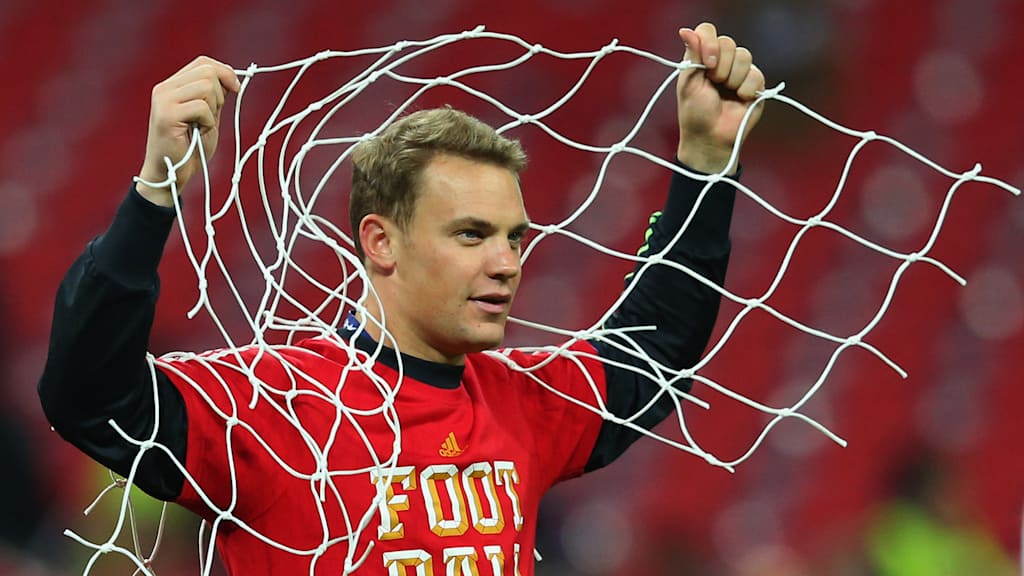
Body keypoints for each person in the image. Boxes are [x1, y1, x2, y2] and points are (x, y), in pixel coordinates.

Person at [38, 23, 765, 575]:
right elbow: (87, 396)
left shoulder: (521, 401)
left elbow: (654, 352)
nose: (506, 262)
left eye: (515, 237)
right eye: (473, 234)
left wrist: (707, 163)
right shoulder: (274, 405)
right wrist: (155, 190)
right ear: (381, 243)